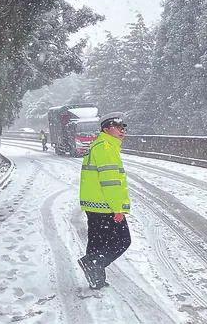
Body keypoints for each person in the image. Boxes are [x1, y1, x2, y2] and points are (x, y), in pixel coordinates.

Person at [77, 112, 131, 290]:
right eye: (118, 126)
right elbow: (111, 183)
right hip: (105, 206)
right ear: (106, 129)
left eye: (123, 127)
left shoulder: (100, 145)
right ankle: (92, 263)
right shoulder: (106, 148)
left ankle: (96, 279)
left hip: (94, 205)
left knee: (98, 242)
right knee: (122, 241)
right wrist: (118, 209)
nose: (122, 130)